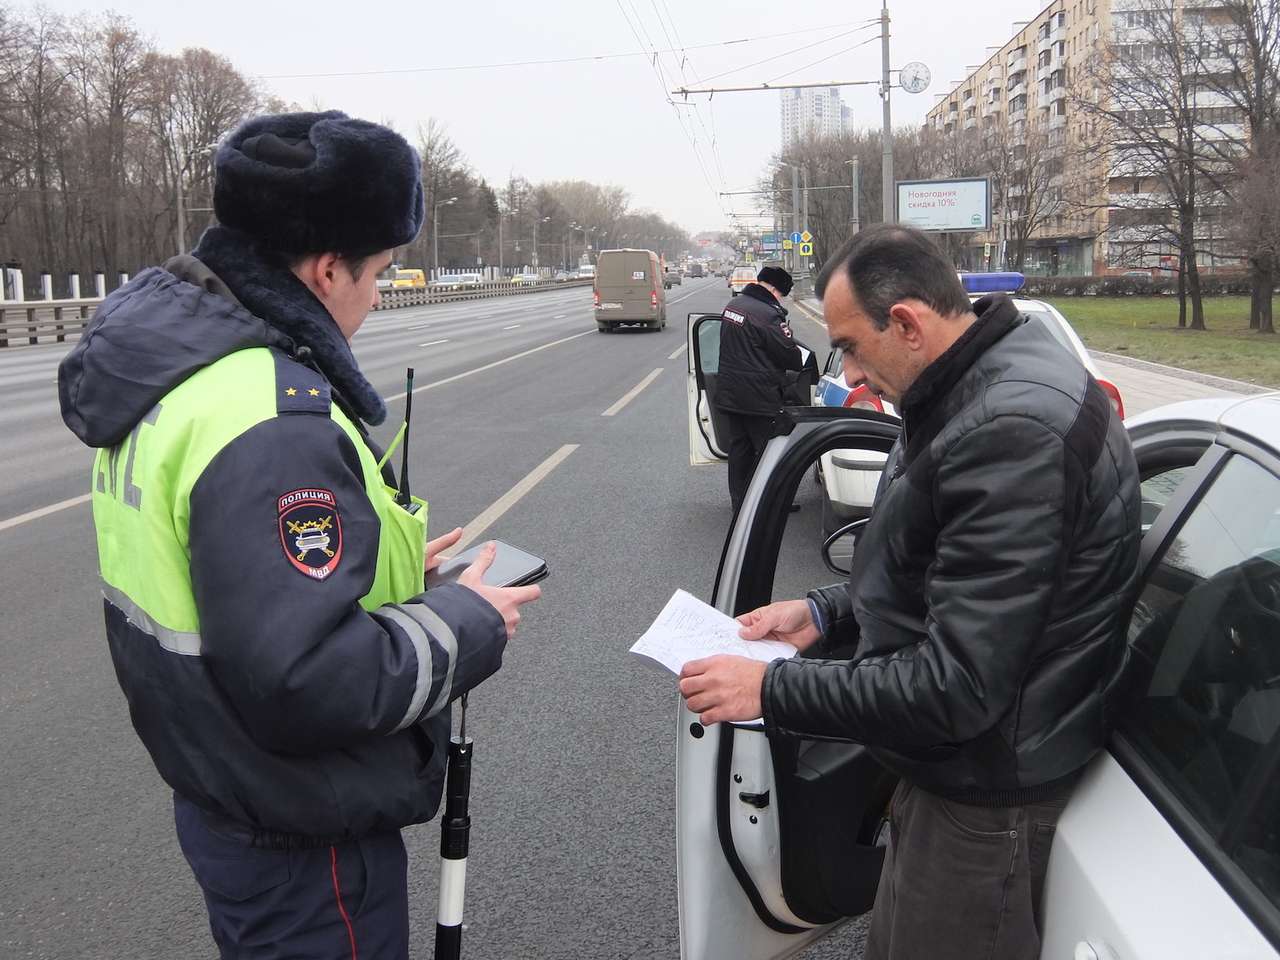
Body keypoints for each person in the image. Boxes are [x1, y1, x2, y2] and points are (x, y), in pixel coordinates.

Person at [58, 111, 541, 959]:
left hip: (222, 793)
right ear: (326, 270)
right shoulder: (273, 414)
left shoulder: (177, 374)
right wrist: (466, 621)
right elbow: (307, 681)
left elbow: (226, 575)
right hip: (301, 838)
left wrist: (388, 565)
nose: (380, 292)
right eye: (380, 271)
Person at [678, 225, 1141, 960]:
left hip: (984, 802)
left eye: (852, 346)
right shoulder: (976, 385)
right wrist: (824, 611)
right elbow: (945, 564)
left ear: (908, 323)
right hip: (959, 770)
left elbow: (956, 688)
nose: (850, 370)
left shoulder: (1011, 427)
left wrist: (772, 689)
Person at [713, 265, 806, 512]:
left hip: (731, 393)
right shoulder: (767, 314)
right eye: (781, 294)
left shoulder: (735, 306)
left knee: (739, 450)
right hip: (759, 396)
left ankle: (740, 504)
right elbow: (789, 356)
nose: (780, 299)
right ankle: (772, 505)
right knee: (769, 452)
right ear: (775, 289)